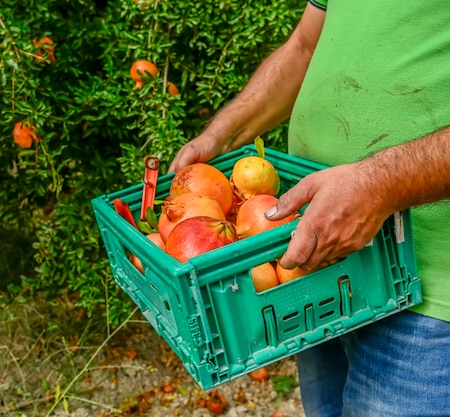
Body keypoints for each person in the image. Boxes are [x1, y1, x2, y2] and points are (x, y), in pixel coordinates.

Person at [168, 1, 450, 416]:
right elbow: (303, 46)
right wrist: (220, 136)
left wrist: (380, 184)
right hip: (315, 270)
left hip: (425, 297)